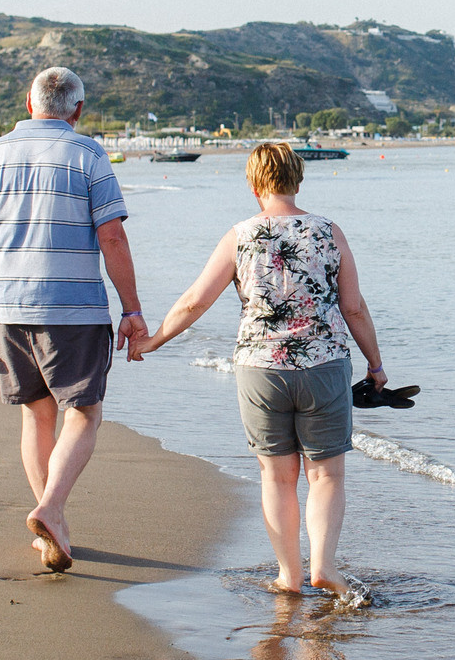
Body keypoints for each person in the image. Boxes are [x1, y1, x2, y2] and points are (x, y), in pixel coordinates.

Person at [143, 142, 385, 597]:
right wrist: (375, 363)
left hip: (261, 370)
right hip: (324, 366)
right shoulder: (329, 232)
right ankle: (325, 568)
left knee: (276, 476)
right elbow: (352, 307)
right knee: (326, 475)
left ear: (254, 184)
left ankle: (289, 575)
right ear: (298, 179)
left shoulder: (239, 235)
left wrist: (154, 340)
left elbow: (196, 300)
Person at [0, 67, 147, 572]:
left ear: (28, 103)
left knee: (36, 413)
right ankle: (51, 508)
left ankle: (52, 523)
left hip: (9, 307)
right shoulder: (88, 154)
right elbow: (113, 237)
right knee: (84, 412)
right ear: (77, 110)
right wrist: (133, 310)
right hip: (72, 308)